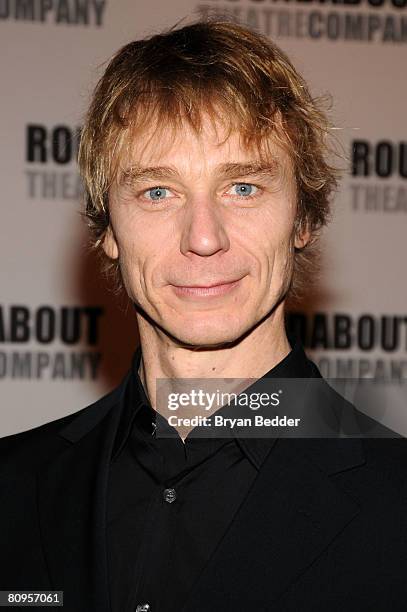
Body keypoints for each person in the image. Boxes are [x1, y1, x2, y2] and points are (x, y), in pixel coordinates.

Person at [0, 19, 406, 612]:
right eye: (156, 192)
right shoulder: (12, 488)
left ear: (303, 217)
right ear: (109, 228)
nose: (204, 238)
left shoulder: (397, 501)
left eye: (243, 187)